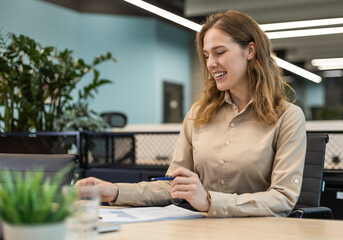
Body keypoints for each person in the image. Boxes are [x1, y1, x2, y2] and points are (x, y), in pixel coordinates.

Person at [76, 10, 306, 217]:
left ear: (250, 51)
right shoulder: (199, 114)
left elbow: (282, 199)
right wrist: (114, 191)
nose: (211, 63)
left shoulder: (288, 117)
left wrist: (208, 201)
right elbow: (172, 186)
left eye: (220, 52)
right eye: (206, 55)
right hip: (201, 229)